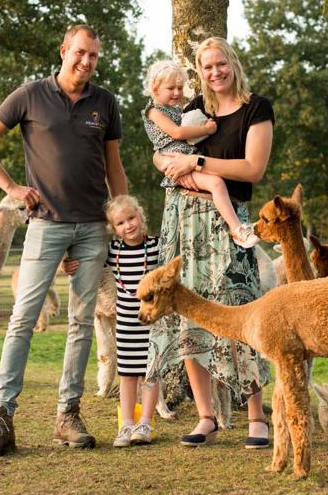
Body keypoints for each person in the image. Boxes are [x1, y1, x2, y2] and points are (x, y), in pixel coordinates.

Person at [0, 24, 128, 458]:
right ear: (63, 51)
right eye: (80, 53)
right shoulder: (30, 95)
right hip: (46, 225)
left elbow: (114, 168)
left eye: (94, 56)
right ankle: (1, 418)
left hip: (93, 229)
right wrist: (12, 188)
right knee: (23, 319)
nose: (86, 62)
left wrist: (123, 214)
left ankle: (67, 414)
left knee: (81, 322)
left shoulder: (105, 103)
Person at [145, 37, 274, 449]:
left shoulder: (256, 108)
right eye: (207, 67)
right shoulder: (191, 111)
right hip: (182, 217)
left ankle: (255, 414)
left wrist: (197, 162)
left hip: (227, 219)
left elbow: (252, 169)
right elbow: (163, 151)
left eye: (221, 63)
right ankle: (206, 416)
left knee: (240, 310)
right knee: (185, 312)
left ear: (232, 63)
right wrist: (166, 162)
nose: (215, 72)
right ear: (199, 72)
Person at [65, 195, 161, 447]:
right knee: (128, 373)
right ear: (113, 229)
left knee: (150, 373)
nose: (128, 225)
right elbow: (88, 263)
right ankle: (127, 424)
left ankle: (146, 424)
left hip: (153, 322)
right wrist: (69, 264)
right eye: (120, 223)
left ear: (140, 216)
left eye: (131, 218)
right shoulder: (113, 251)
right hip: (126, 322)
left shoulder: (156, 246)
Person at [143, 60, 259, 248]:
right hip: (174, 162)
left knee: (217, 182)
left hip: (184, 160)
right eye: (170, 88)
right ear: (155, 89)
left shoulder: (178, 109)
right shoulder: (153, 111)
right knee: (216, 183)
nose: (177, 93)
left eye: (180, 88)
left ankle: (236, 226)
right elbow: (177, 133)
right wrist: (206, 129)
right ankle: (237, 229)